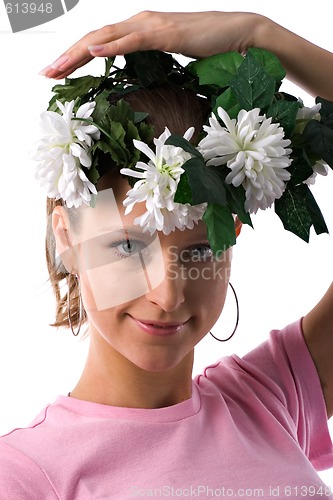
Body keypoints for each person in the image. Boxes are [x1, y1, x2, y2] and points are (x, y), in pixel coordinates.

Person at [0, 10, 332, 499]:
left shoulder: (270, 401)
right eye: (128, 245)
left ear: (232, 236)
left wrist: (257, 35)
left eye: (199, 250)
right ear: (67, 237)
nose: (168, 293)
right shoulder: (25, 475)